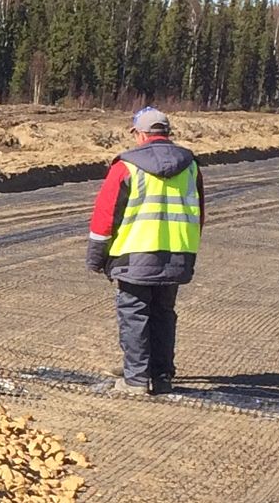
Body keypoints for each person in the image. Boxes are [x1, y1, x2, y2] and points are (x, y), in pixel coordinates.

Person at [86, 106, 204, 395]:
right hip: (176, 254)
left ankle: (136, 380)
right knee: (164, 314)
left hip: (134, 255)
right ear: (166, 133)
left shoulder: (126, 166)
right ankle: (162, 378)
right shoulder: (190, 165)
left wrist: (96, 257)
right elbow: (198, 214)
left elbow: (105, 216)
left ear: (140, 134)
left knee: (134, 314)